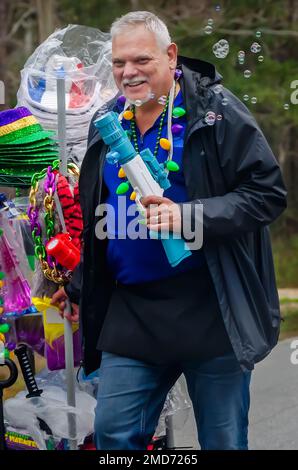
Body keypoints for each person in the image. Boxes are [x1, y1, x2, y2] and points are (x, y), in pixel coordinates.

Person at [51, 11, 287, 450]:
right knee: (114, 435)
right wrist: (81, 284)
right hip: (134, 311)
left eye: (141, 60)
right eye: (119, 63)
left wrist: (189, 216)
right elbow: (101, 219)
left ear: (171, 55)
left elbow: (267, 194)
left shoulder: (217, 113)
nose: (128, 72)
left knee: (223, 440)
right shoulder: (108, 121)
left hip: (211, 305)